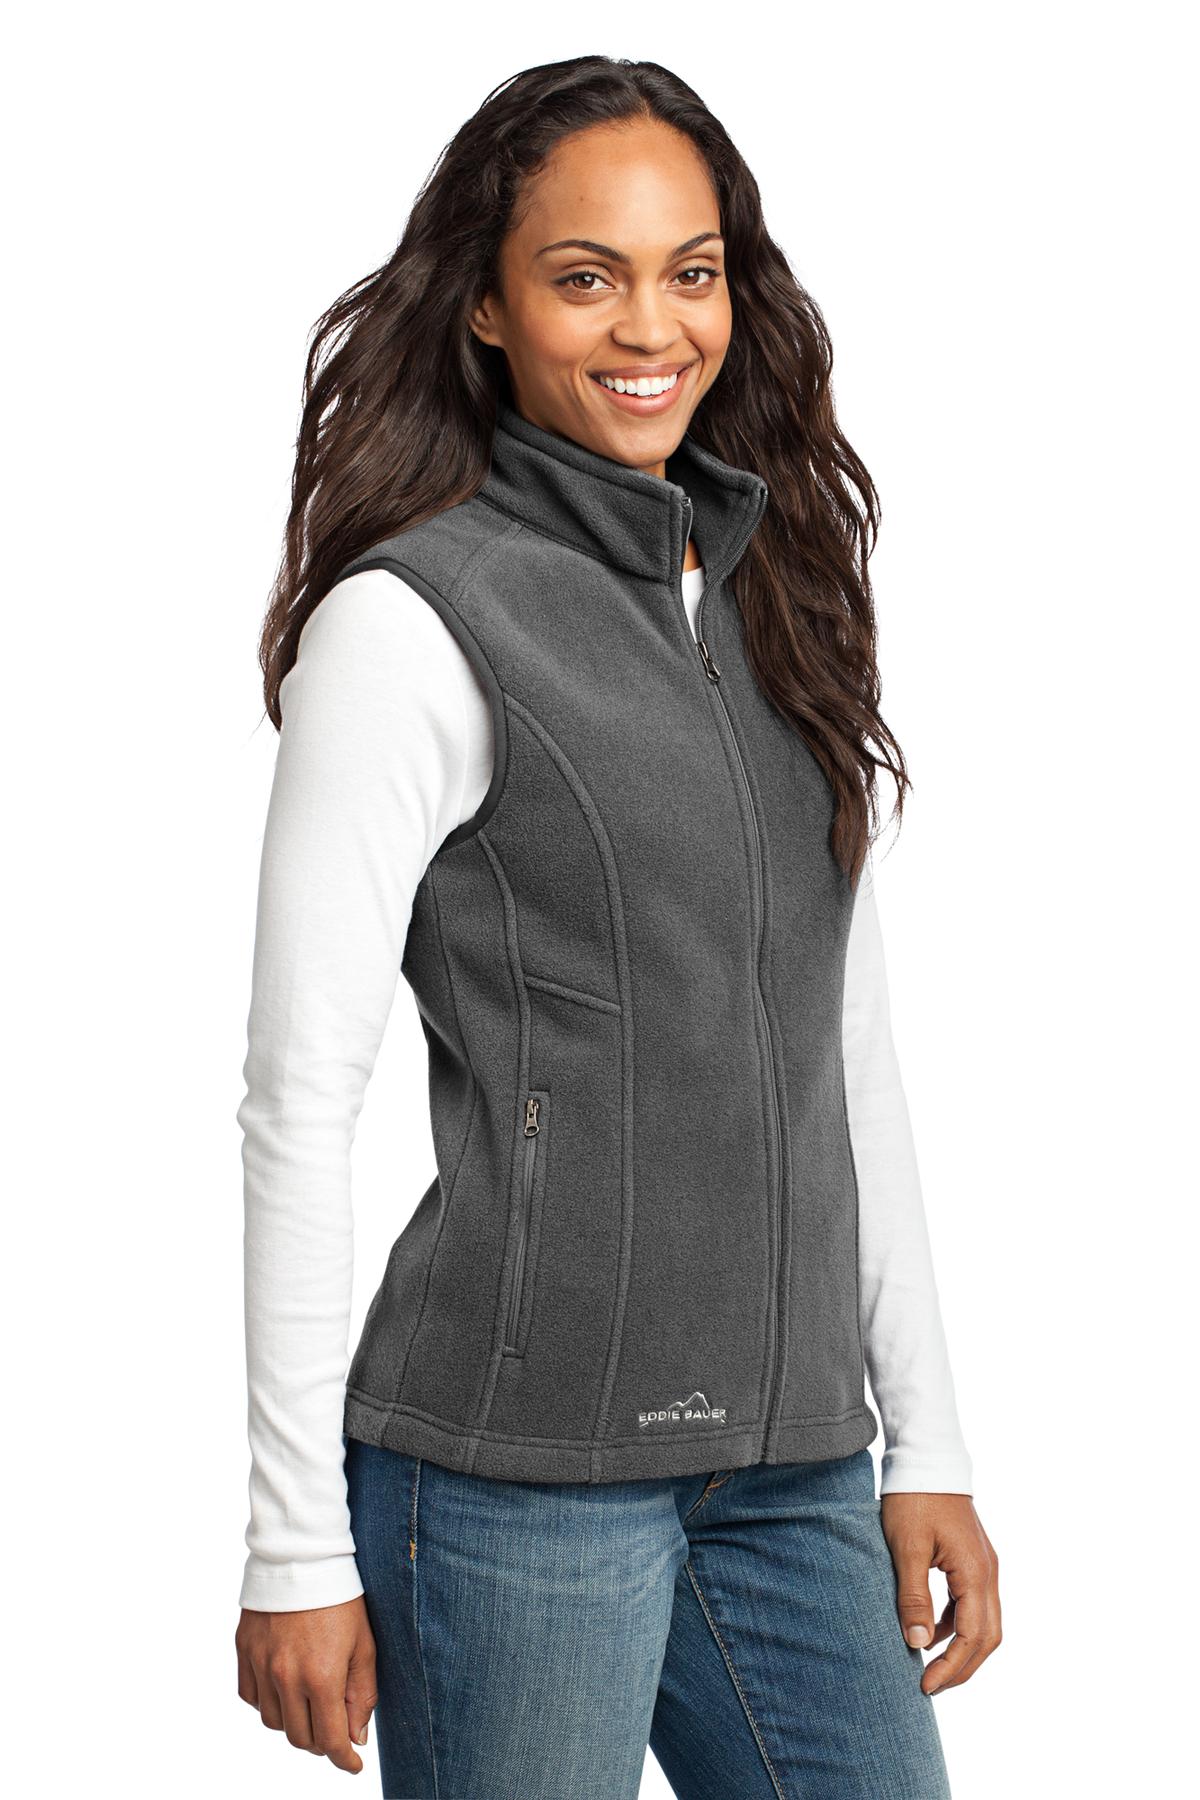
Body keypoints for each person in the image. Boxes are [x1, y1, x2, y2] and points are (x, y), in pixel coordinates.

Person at [233, 54, 1001, 1800]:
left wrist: (925, 1438)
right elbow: (298, 1102)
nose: (651, 326)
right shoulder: (411, 624)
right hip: (510, 1479)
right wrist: (293, 1548)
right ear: (488, 305)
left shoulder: (777, 597)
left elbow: (845, 1053)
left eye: (691, 270)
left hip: (792, 1466)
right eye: (585, 277)